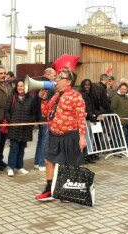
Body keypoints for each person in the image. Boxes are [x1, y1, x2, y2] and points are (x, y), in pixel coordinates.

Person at [35, 69, 87, 202]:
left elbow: (81, 117)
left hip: (69, 135)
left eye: (60, 77)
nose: (57, 80)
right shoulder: (55, 95)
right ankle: (49, 189)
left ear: (68, 82)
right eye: (57, 77)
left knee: (68, 163)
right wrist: (44, 99)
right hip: (54, 134)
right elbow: (46, 114)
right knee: (48, 160)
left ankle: (66, 192)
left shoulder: (76, 96)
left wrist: (82, 137)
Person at [5, 79, 35, 177]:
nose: (19, 88)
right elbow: (7, 111)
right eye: (18, 86)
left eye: (21, 86)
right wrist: (11, 121)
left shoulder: (30, 99)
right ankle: (10, 167)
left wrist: (30, 122)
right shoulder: (12, 97)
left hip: (25, 128)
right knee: (14, 148)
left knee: (22, 148)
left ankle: (20, 166)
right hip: (14, 128)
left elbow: (33, 113)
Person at [34, 68, 56, 170]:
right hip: (44, 115)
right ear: (49, 75)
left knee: (41, 139)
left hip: (39, 115)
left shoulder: (40, 83)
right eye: (54, 76)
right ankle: (42, 163)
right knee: (44, 140)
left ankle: (37, 162)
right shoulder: (47, 85)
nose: (54, 78)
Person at [79, 79, 100, 163]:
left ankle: (89, 155)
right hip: (86, 119)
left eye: (89, 85)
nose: (87, 86)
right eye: (86, 85)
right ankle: (85, 156)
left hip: (90, 118)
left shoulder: (89, 94)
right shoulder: (83, 94)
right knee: (87, 138)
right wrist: (93, 118)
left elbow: (92, 107)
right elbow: (86, 108)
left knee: (90, 138)